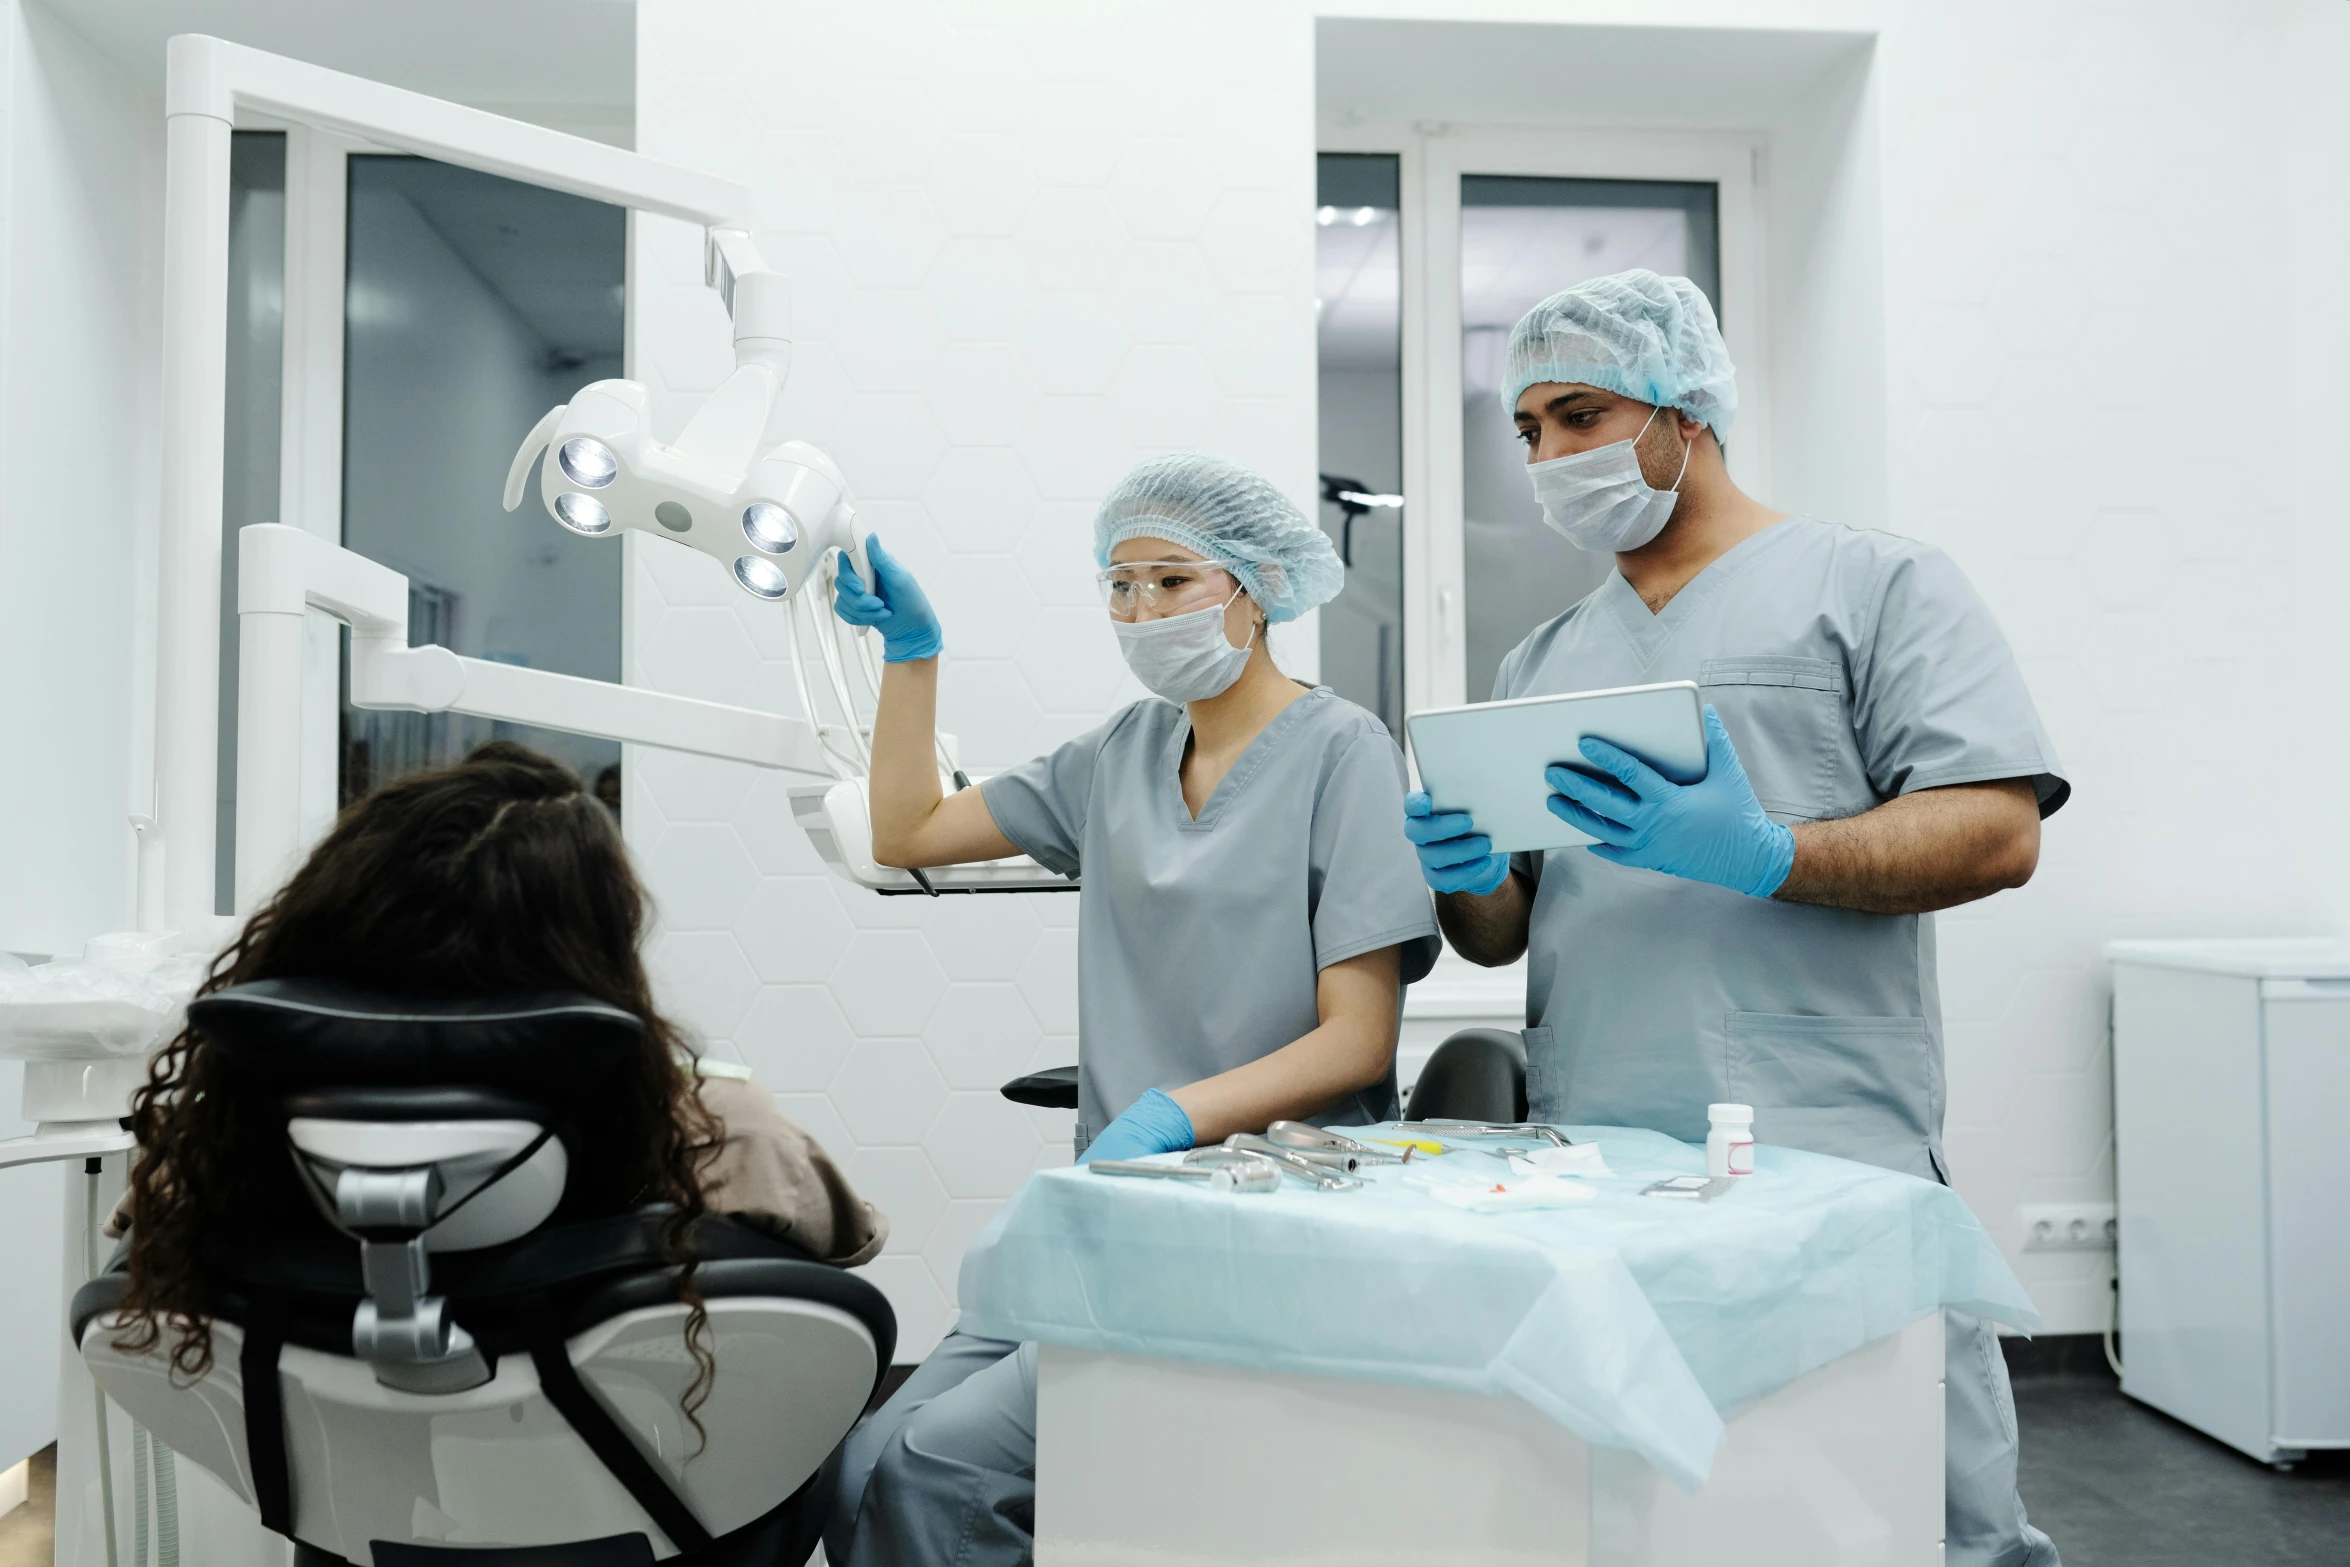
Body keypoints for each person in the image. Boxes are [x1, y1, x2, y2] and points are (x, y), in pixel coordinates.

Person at [1403, 269, 2066, 1567]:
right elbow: (1501, 933)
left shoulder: (1871, 585)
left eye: (1578, 413)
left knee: (1907, 1508)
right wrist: (1463, 869)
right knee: (1657, 1511)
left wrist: (1762, 851)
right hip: (1598, 1157)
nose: (1548, 455)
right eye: (1529, 429)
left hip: (1821, 1138)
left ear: (1684, 408)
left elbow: (1997, 828)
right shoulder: (1540, 659)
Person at [821, 451, 1440, 1567]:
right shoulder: (1121, 751)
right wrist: (912, 658)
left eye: (1172, 581)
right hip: (1109, 1212)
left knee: (936, 1465)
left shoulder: (1343, 752)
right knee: (862, 1457)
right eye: (1120, 584)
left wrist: (1171, 1112)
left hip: (1259, 1216)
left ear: (1256, 586)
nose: (1140, 610)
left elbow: (1359, 1038)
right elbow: (907, 831)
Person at [113, 742, 886, 1384]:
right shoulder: (719, 1133)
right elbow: (844, 1246)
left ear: (323, 930)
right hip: (636, 1497)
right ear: (595, 952)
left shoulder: (219, 1137)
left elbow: (133, 1256)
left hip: (357, 1511)